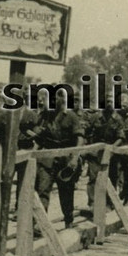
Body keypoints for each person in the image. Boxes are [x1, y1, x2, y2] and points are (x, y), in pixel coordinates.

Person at [33, 89, 85, 228]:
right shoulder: (44, 116)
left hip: (65, 159)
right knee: (42, 190)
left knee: (66, 192)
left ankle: (69, 220)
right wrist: (32, 154)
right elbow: (39, 139)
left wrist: (75, 157)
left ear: (61, 100)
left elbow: (80, 138)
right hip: (48, 159)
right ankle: (39, 224)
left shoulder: (71, 116)